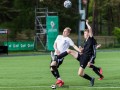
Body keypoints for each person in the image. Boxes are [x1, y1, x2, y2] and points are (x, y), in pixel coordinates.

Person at [67, 20, 95, 86]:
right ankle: (57, 58)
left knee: (80, 74)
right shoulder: (86, 41)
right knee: (69, 51)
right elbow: (84, 50)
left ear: (88, 34)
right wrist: (81, 49)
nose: (84, 34)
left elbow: (90, 29)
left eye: (85, 33)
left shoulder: (91, 38)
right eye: (84, 33)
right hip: (82, 55)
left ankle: (91, 79)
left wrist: (87, 23)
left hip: (85, 58)